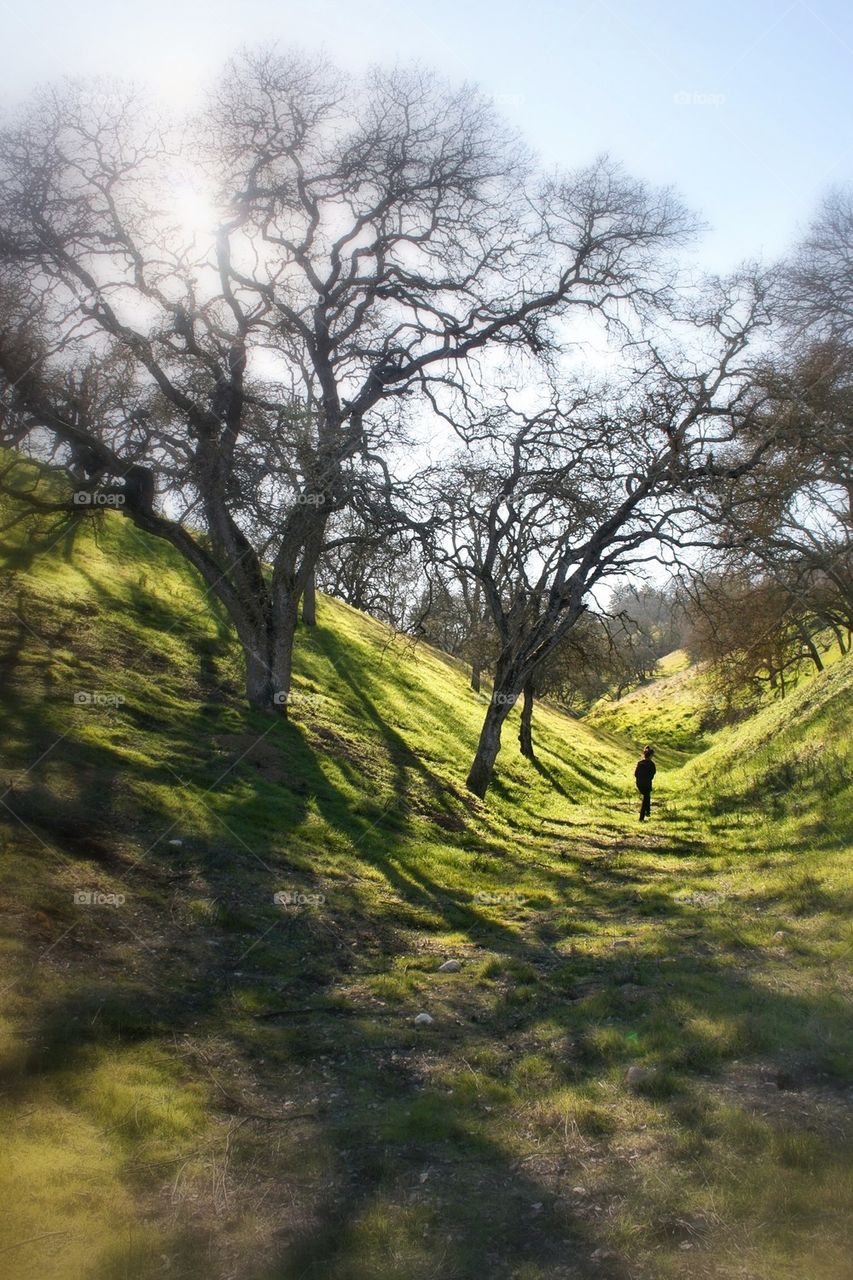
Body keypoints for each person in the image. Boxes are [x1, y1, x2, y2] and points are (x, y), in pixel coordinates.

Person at [634, 745, 656, 821]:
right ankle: (641, 817)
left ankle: (648, 812)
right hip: (647, 783)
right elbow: (652, 775)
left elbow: (636, 774)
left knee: (647, 796)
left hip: (639, 783)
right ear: (651, 755)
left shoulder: (639, 763)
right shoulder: (652, 764)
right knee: (646, 798)